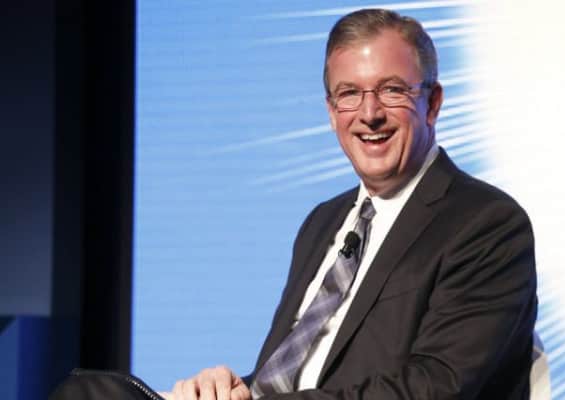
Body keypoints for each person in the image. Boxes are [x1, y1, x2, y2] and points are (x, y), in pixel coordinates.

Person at [161, 8, 537, 400]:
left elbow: (436, 386)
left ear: (433, 103)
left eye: (392, 90)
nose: (369, 114)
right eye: (349, 94)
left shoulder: (486, 224)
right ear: (331, 112)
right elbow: (297, 373)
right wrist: (231, 391)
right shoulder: (322, 222)